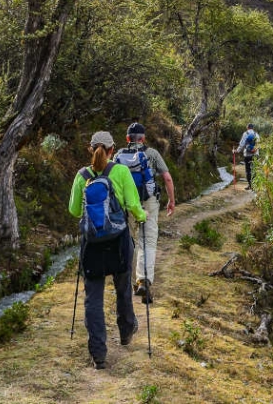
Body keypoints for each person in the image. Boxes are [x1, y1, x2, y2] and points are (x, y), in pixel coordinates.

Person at [68, 130, 147, 370]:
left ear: (91, 149)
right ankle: (126, 332)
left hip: (92, 245)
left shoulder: (82, 176)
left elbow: (74, 211)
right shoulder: (121, 171)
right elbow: (133, 205)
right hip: (119, 242)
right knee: (123, 288)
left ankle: (99, 354)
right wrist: (143, 216)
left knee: (93, 298)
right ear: (113, 150)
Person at [114, 121, 176, 304]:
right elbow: (167, 178)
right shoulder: (152, 154)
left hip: (128, 204)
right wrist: (172, 200)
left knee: (130, 241)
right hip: (148, 202)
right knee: (147, 241)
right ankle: (144, 280)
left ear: (127, 139)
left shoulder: (118, 155)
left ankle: (130, 282)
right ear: (143, 138)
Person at [236, 123, 260, 189]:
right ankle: (255, 185)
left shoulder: (245, 133)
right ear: (253, 128)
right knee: (254, 170)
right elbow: (259, 144)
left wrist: (237, 151)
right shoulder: (256, 134)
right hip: (256, 155)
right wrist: (255, 151)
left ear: (247, 127)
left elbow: (242, 144)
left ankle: (250, 185)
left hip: (248, 155)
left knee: (248, 170)